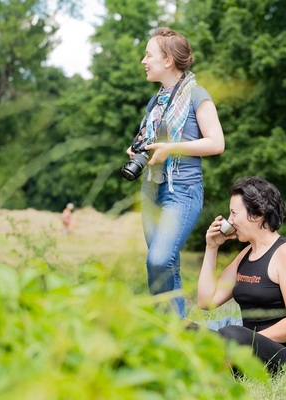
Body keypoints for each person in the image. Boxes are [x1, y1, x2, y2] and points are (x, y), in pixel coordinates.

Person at [125, 27, 224, 318]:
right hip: (151, 189)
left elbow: (217, 143)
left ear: (168, 60)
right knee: (163, 266)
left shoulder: (197, 95)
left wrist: (172, 149)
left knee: (158, 259)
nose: (144, 60)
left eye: (149, 54)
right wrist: (138, 151)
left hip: (182, 190)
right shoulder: (155, 101)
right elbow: (151, 141)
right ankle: (172, 333)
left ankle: (176, 331)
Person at [197, 176, 286, 374]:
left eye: (234, 213)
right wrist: (211, 247)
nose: (229, 221)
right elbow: (206, 301)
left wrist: (248, 342)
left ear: (258, 214)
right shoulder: (246, 254)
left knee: (232, 334)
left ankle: (219, 364)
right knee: (184, 329)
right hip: (247, 346)